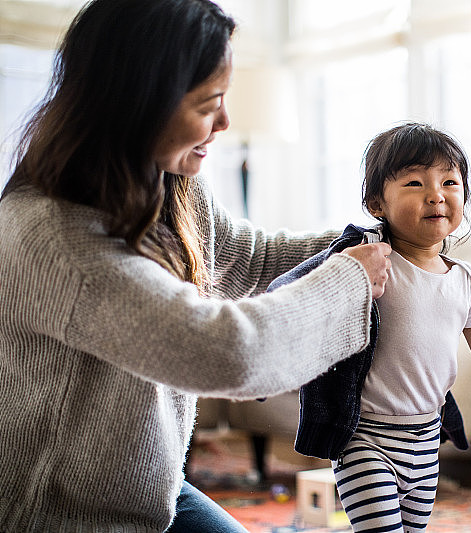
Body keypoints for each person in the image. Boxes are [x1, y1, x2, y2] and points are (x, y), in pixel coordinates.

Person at [0, 0, 391, 531]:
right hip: (58, 513)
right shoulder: (52, 237)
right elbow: (228, 352)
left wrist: (377, 238)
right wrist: (350, 281)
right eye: (210, 102)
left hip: (145, 489)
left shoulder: (168, 185)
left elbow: (250, 257)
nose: (226, 121)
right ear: (140, 103)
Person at [269, 122, 471, 532]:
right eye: (415, 183)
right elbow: (294, 290)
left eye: (449, 182)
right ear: (376, 204)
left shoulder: (465, 279)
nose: (436, 194)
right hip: (366, 437)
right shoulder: (367, 261)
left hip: (426, 440)